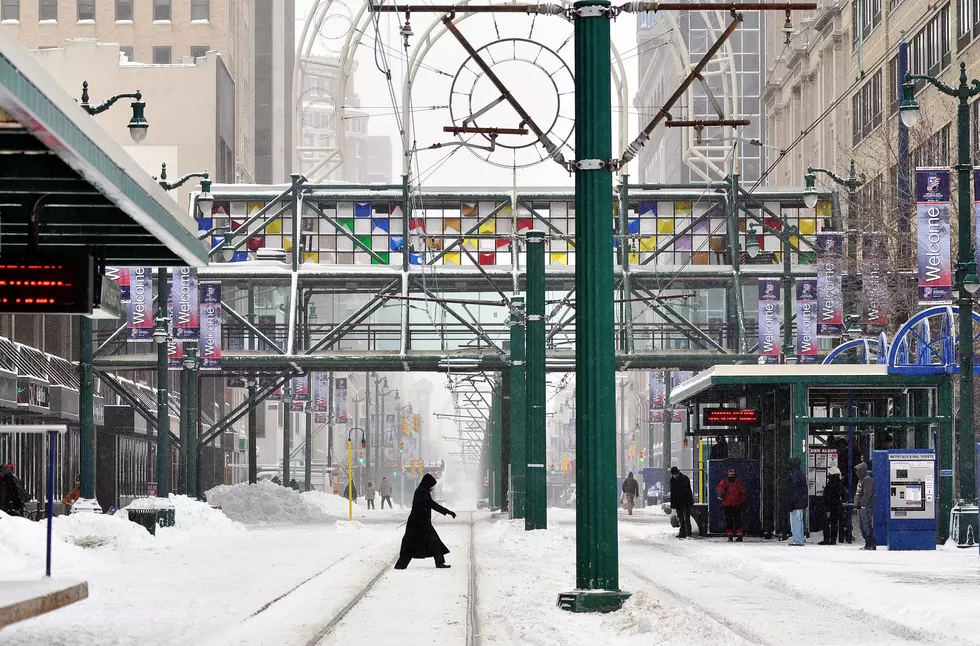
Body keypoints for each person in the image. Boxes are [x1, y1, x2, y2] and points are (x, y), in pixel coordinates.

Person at [394, 473, 457, 569]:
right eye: (431, 485)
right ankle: (401, 565)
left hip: (420, 523)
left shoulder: (422, 491)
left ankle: (401, 565)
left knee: (429, 543)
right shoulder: (422, 492)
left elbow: (431, 504)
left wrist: (447, 512)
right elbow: (432, 505)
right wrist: (448, 512)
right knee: (415, 544)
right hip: (418, 524)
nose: (431, 487)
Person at [716, 466, 746, 542]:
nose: (731, 476)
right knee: (734, 520)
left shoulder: (728, 482)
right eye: (730, 474)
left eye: (732, 474)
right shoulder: (736, 483)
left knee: (734, 520)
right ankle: (735, 535)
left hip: (731, 504)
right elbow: (718, 489)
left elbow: (742, 493)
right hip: (731, 504)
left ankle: (732, 535)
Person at [854, 462, 876, 550]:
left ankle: (870, 544)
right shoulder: (861, 480)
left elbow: (867, 493)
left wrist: (863, 504)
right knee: (862, 526)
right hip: (861, 507)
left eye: (858, 471)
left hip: (865, 507)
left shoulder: (867, 479)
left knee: (866, 525)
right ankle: (868, 543)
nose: (857, 473)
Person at [820, 467, 843, 545]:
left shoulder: (831, 483)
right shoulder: (839, 483)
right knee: (834, 523)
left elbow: (828, 496)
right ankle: (833, 540)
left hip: (830, 506)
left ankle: (827, 539)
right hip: (836, 506)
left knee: (826, 523)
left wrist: (827, 507)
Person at [788, 456, 808, 546]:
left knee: (795, 521)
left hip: (796, 502)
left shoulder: (794, 474)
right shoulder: (801, 474)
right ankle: (800, 539)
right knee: (799, 521)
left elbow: (794, 489)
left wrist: (792, 500)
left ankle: (798, 540)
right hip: (801, 501)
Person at [669, 466, 694, 538]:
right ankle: (683, 532)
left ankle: (688, 533)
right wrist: (673, 503)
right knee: (681, 518)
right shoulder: (672, 480)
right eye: (674, 474)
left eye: (676, 474)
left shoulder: (684, 479)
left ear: (678, 472)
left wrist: (690, 500)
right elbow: (672, 493)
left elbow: (688, 491)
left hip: (685, 501)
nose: (675, 475)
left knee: (686, 517)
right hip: (678, 502)